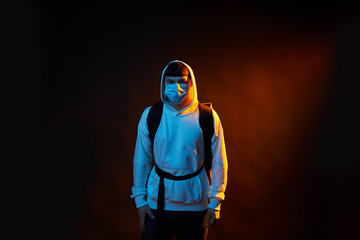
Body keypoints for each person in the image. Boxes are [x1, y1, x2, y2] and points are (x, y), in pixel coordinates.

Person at [131, 60, 228, 240]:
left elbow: (219, 160)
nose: (176, 87)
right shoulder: (152, 115)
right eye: (171, 81)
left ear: (190, 82)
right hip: (157, 203)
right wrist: (140, 200)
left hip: (195, 204)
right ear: (163, 83)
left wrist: (215, 203)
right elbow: (141, 159)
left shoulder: (207, 117)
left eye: (181, 81)